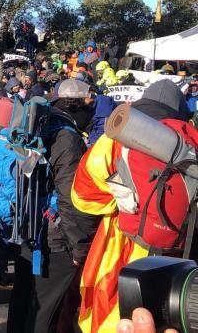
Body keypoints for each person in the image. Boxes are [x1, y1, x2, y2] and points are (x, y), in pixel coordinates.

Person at [72, 80, 198, 333]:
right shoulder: (190, 141)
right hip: (184, 250)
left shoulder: (116, 138)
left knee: (115, 314)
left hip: (125, 245)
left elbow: (83, 197)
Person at [6, 79, 101, 332]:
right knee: (45, 313)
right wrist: (80, 247)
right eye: (89, 105)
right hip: (55, 239)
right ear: (75, 105)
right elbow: (70, 197)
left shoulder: (39, 126)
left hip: (27, 227)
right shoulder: (67, 138)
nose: (92, 112)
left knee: (23, 303)